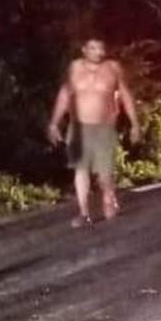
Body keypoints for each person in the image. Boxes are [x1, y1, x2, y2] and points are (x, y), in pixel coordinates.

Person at [46, 39, 140, 227]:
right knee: (80, 169)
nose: (98, 52)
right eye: (93, 48)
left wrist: (134, 123)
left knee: (104, 174)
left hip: (104, 127)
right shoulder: (75, 68)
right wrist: (54, 123)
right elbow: (65, 94)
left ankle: (108, 195)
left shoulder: (112, 68)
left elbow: (125, 95)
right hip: (79, 127)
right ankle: (84, 213)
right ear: (84, 50)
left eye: (101, 48)